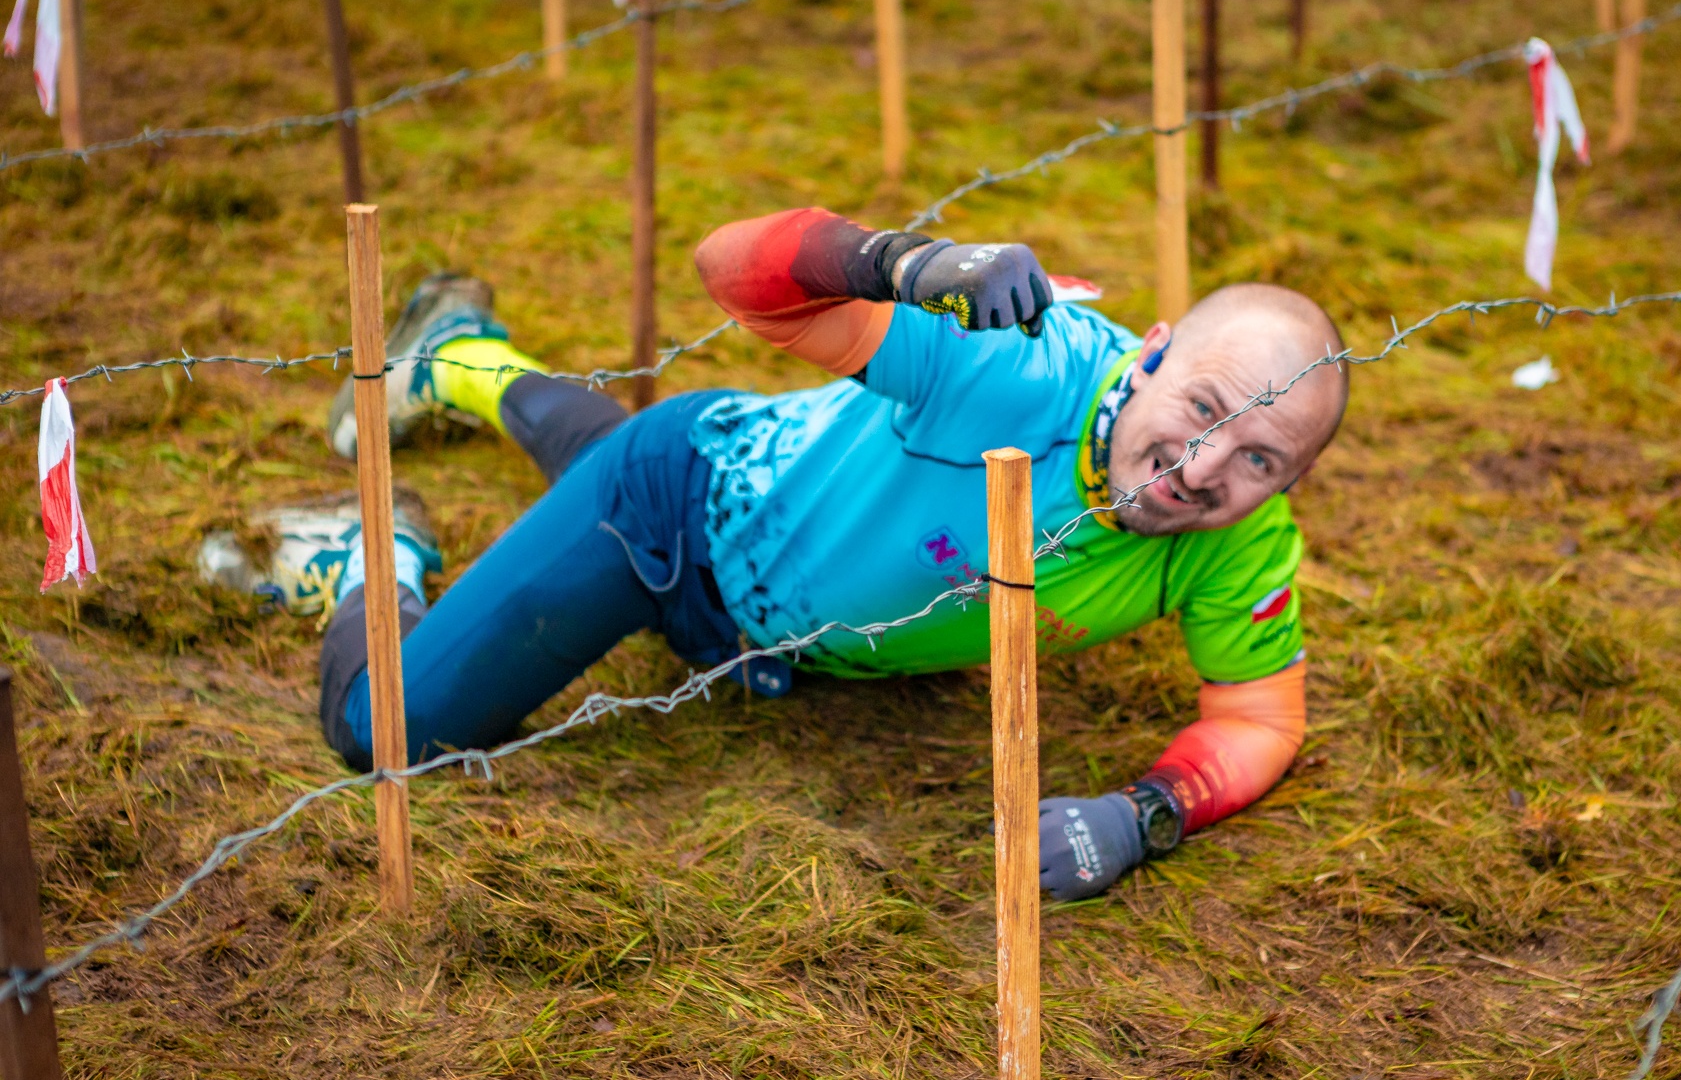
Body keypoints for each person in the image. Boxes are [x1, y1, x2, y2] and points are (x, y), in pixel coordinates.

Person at [203, 207, 1348, 899]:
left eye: (1261, 457)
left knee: (608, 453)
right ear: (1151, 354)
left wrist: (1148, 813)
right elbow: (732, 268)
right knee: (388, 728)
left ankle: (455, 354)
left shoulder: (1241, 540)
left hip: (773, 547)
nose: (1205, 466)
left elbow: (1260, 717)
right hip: (677, 510)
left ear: (1290, 482)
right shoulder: (1013, 363)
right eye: (1203, 407)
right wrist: (900, 262)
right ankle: (373, 555)